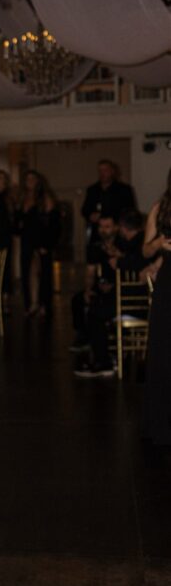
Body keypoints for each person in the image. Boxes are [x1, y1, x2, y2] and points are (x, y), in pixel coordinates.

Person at [73, 211, 147, 378]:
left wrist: (118, 260)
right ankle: (107, 355)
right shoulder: (142, 243)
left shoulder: (134, 245)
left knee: (94, 313)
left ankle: (103, 362)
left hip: (131, 303)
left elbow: (126, 265)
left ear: (123, 228)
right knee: (92, 304)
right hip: (142, 301)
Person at [142, 169, 171, 452]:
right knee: (162, 352)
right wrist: (159, 244)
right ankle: (160, 425)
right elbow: (145, 251)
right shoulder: (160, 209)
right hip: (168, 285)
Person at [15, 169, 60, 318]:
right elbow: (18, 221)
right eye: (28, 179)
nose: (30, 182)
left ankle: (44, 305)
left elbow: (53, 223)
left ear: (39, 181)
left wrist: (47, 244)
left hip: (42, 240)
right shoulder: (22, 198)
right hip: (26, 240)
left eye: (33, 179)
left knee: (44, 274)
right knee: (27, 272)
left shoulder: (45, 198)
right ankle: (31, 304)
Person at [81, 159, 136, 248]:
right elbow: (84, 210)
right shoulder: (92, 190)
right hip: (97, 234)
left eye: (105, 170)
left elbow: (130, 211)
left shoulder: (124, 190)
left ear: (112, 171)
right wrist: (90, 215)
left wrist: (114, 221)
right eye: (100, 171)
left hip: (118, 233)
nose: (102, 173)